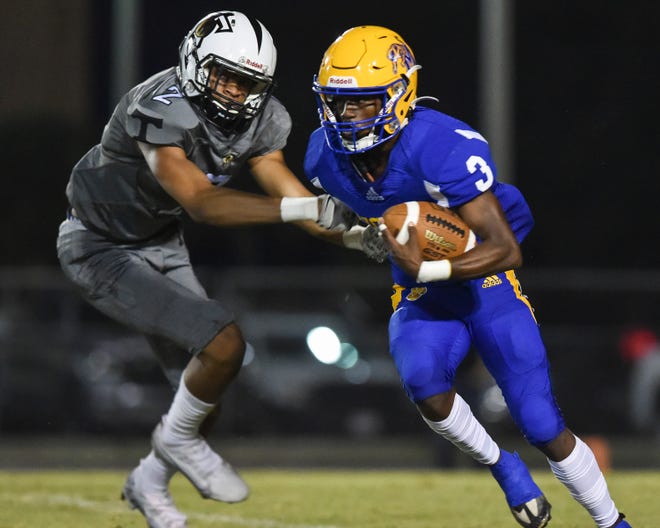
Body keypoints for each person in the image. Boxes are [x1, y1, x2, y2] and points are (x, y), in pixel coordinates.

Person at [57, 11, 384, 528]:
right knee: (224, 342)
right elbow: (202, 203)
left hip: (160, 242)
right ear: (193, 63)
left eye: (247, 82)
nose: (233, 91)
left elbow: (287, 189)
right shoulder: (158, 105)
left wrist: (356, 236)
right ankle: (171, 447)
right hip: (98, 245)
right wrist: (309, 210)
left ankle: (149, 482)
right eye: (224, 75)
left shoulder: (264, 119)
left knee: (205, 397)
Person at [304, 25, 632, 528]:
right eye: (337, 102)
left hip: (484, 280)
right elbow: (349, 217)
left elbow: (506, 249)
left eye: (363, 103)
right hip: (422, 288)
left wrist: (429, 265)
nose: (346, 116)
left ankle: (613, 523)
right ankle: (505, 469)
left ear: (399, 95)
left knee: (541, 422)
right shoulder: (323, 157)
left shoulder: (441, 146)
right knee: (422, 381)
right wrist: (353, 233)